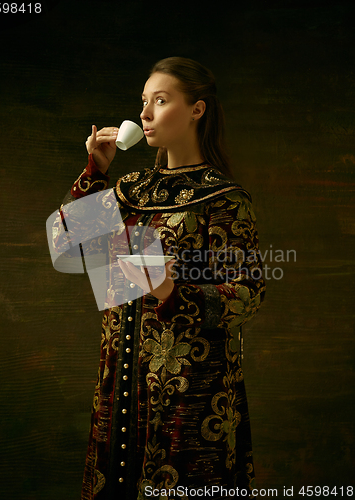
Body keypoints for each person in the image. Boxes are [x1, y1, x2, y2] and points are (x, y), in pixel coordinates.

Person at [52, 57, 266, 499]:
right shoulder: (131, 190)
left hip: (188, 391)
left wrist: (171, 291)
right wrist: (96, 172)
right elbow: (68, 244)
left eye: (161, 101)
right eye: (144, 102)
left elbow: (247, 295)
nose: (145, 114)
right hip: (119, 382)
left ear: (196, 110)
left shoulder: (223, 199)